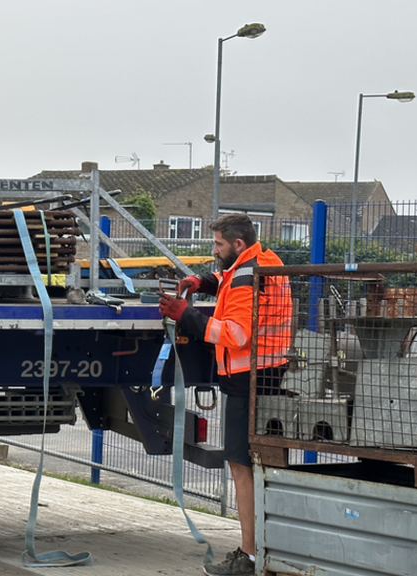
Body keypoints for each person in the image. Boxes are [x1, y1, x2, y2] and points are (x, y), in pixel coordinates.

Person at [157, 213, 291, 576]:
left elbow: (234, 333)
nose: (214, 251)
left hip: (246, 377)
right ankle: (262, 549)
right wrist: (202, 282)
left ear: (238, 245)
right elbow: (230, 278)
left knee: (240, 465)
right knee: (256, 463)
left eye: (218, 245)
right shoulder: (265, 260)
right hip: (267, 372)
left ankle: (248, 556)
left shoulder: (248, 277)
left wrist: (185, 314)